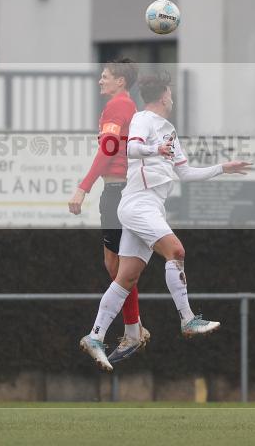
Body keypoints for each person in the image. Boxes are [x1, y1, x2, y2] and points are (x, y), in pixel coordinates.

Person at [79, 72, 252, 371]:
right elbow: (130, 148)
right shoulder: (144, 119)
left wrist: (223, 167)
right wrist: (153, 149)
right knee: (177, 251)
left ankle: (95, 336)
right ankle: (187, 319)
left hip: (149, 206)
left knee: (126, 277)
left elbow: (185, 173)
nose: (172, 96)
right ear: (163, 96)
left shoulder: (168, 130)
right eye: (170, 92)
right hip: (138, 203)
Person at [68, 58, 150, 364]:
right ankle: (134, 328)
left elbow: (108, 149)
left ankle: (132, 331)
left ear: (120, 81)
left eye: (105, 76)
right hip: (118, 192)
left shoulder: (119, 105)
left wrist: (83, 186)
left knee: (119, 267)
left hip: (118, 193)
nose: (100, 80)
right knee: (115, 264)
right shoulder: (123, 106)